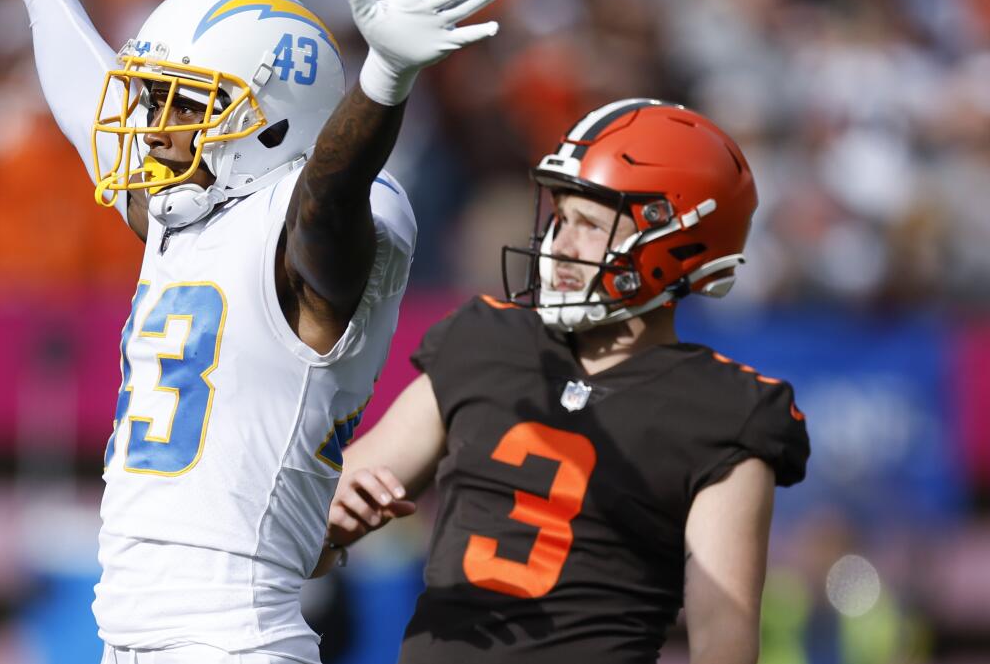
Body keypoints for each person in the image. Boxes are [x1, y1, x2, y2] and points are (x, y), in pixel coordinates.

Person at [0, 0, 498, 664]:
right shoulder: (195, 210)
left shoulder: (317, 235)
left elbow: (327, 204)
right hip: (135, 638)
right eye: (157, 98)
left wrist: (384, 82)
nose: (154, 125)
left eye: (183, 102)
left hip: (231, 639)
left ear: (272, 119)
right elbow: (87, 106)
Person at [320, 99, 810, 664]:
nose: (562, 242)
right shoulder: (486, 341)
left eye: (591, 225)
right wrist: (330, 526)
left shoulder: (725, 412)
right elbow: (318, 523)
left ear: (675, 240)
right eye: (562, 215)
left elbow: (723, 643)